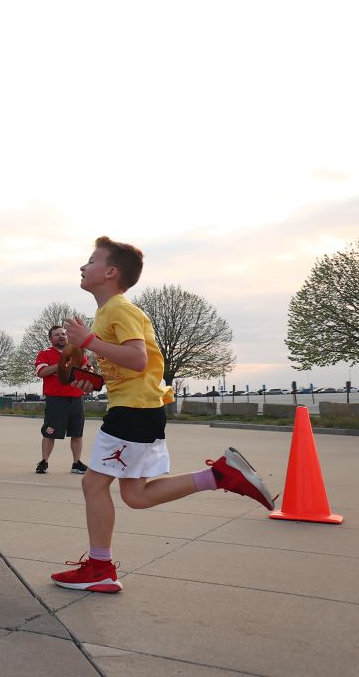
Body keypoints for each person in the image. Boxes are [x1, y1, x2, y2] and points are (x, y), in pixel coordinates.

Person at [51, 236, 276, 593]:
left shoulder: (118, 310)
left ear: (110, 272)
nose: (82, 266)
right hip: (140, 408)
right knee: (135, 496)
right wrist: (97, 379)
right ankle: (218, 475)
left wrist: (90, 342)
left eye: (90, 260)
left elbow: (138, 359)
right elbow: (131, 365)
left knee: (93, 484)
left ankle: (100, 568)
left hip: (133, 411)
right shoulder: (110, 312)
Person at [34, 326, 90, 475]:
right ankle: (44, 462)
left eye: (64, 334)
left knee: (77, 434)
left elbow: (87, 369)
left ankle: (76, 463)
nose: (61, 336)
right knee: (49, 433)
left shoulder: (77, 352)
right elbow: (41, 372)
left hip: (76, 398)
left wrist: (88, 370)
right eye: (57, 334)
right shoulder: (44, 354)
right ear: (51, 338)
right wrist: (61, 364)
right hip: (56, 400)